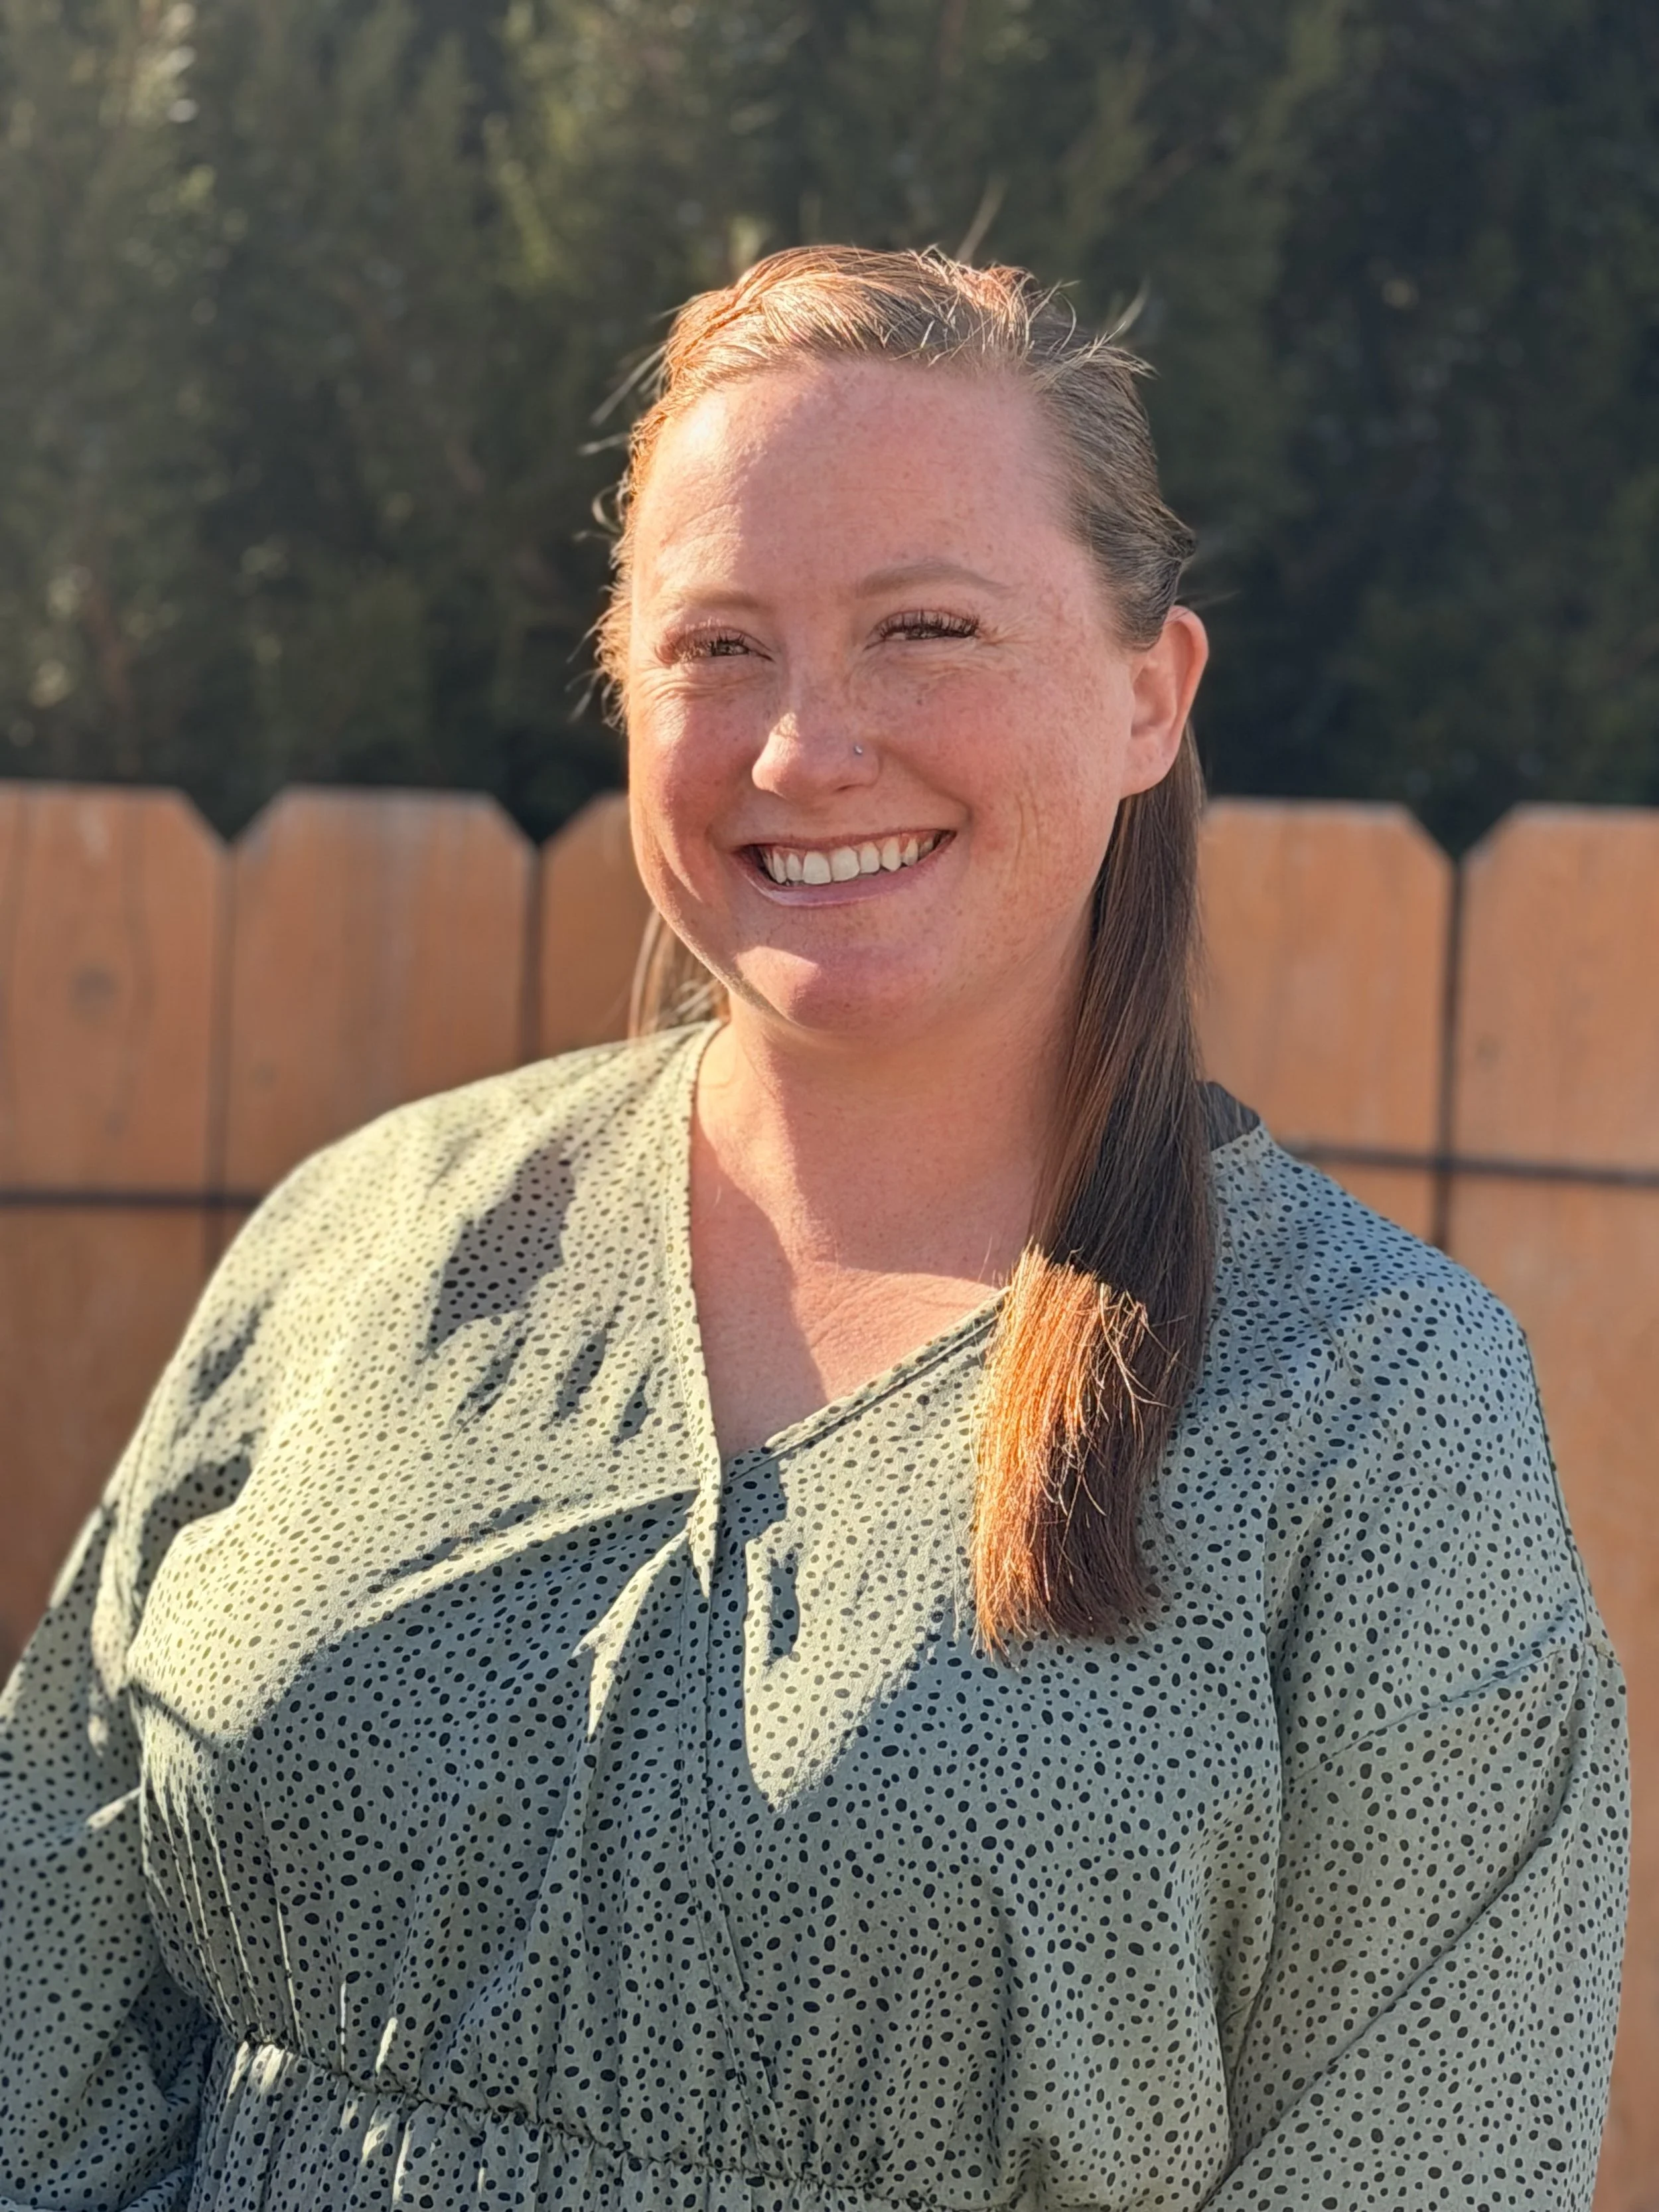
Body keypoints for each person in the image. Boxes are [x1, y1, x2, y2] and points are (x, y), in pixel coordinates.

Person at [0, 248, 1627, 2211]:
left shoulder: (1370, 1411)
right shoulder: (362, 1240)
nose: (800, 748)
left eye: (923, 628)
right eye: (717, 646)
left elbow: (1420, 2158)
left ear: (1146, 694)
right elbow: (48, 2002)